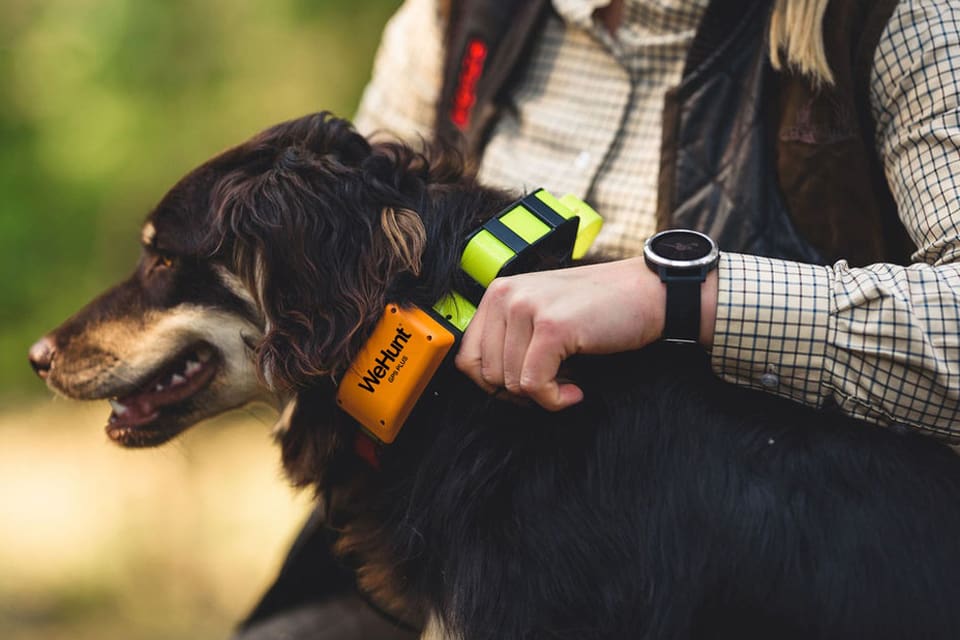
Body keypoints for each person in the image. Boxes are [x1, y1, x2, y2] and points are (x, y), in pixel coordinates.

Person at [236, 0, 960, 636]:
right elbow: (336, 302)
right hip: (425, 535)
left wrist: (675, 294)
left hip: (776, 574)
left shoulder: (896, 18)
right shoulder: (454, 18)